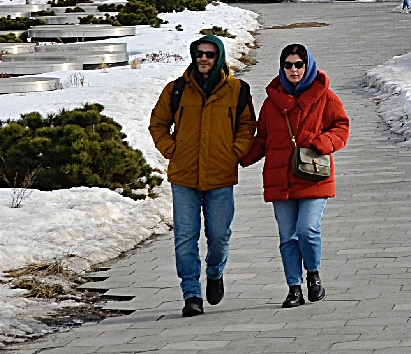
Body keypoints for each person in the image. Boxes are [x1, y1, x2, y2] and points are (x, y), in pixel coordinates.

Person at [149, 35, 256, 317]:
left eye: (209, 54)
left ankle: (215, 272)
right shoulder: (176, 90)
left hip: (221, 175)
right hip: (184, 176)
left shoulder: (238, 90)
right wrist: (172, 149)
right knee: (185, 237)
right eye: (199, 54)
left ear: (218, 56)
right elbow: (158, 124)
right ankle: (191, 294)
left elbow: (247, 126)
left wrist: (234, 152)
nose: (203, 59)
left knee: (219, 236)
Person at [242, 43, 349, 309]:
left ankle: (313, 274)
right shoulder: (271, 102)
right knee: (287, 237)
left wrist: (322, 143)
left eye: (298, 64)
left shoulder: (325, 96)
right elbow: (264, 139)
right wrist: (238, 157)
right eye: (288, 65)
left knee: (307, 229)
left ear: (307, 65)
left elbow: (341, 127)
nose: (293, 70)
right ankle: (294, 288)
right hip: (281, 177)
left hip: (314, 174)